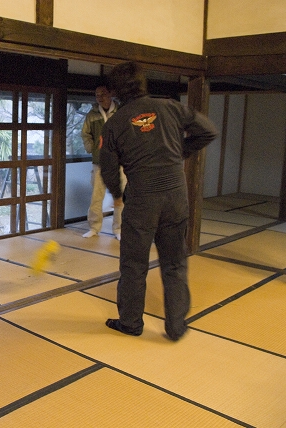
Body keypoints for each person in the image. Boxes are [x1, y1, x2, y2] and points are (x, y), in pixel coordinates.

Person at [99, 62, 217, 341]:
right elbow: (208, 131)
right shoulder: (171, 107)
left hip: (142, 201)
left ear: (115, 91)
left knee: (133, 264)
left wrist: (117, 194)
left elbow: (108, 169)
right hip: (176, 197)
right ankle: (176, 327)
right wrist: (179, 154)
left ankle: (130, 322)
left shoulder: (114, 124)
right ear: (143, 83)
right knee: (175, 262)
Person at [81, 83, 126, 240]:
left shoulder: (121, 112)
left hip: (120, 161)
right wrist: (91, 148)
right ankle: (94, 227)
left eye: (103, 94)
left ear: (111, 93)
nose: (100, 97)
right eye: (97, 95)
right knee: (96, 196)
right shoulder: (92, 114)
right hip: (99, 161)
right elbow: (85, 134)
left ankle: (119, 229)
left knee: (119, 196)